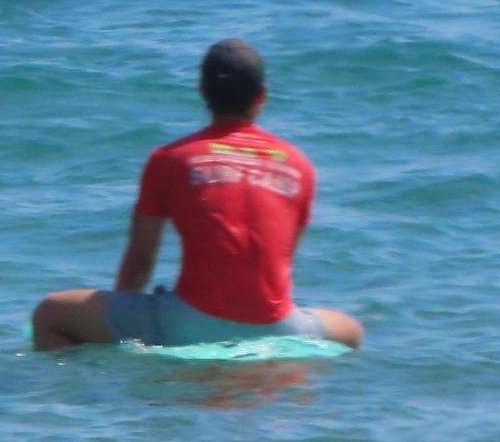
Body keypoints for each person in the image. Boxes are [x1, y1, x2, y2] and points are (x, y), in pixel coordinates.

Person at [30, 40, 363, 353]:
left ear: (202, 91)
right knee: (351, 332)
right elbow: (282, 261)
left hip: (188, 324)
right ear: (261, 96)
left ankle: (86, 390)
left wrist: (122, 326)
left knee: (49, 314)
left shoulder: (170, 159)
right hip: (275, 327)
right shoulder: (299, 166)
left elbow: (140, 260)